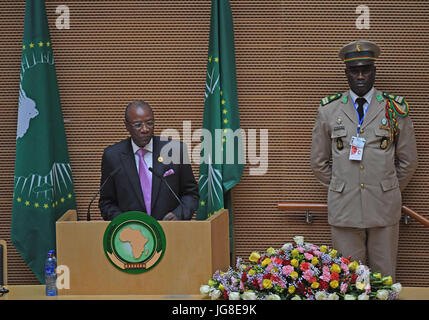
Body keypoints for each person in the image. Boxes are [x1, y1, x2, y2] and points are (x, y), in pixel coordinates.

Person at [310, 40, 417, 280]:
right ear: (346, 72)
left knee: (384, 279)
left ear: (374, 71)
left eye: (365, 70)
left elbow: (408, 160)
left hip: (384, 206)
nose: (360, 76)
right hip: (344, 208)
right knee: (348, 280)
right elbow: (318, 161)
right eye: (354, 70)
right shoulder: (329, 110)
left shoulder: (394, 108)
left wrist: (387, 186)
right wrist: (342, 185)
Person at [99, 100, 199, 221]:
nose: (145, 129)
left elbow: (191, 194)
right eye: (137, 125)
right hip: (131, 234)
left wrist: (179, 214)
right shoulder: (113, 156)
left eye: (150, 123)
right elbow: (106, 202)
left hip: (170, 231)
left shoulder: (175, 150)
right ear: (126, 126)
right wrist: (123, 221)